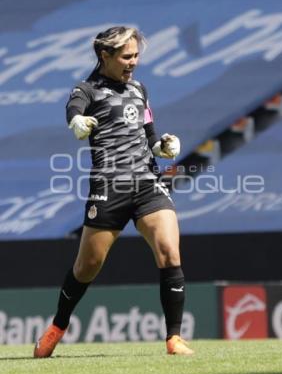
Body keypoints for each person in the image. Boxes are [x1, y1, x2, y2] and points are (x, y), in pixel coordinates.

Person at [34, 26, 194, 357]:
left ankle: (174, 338)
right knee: (87, 267)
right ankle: (57, 327)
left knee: (170, 252)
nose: (133, 62)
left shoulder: (139, 89)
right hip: (110, 187)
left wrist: (162, 146)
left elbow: (149, 131)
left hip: (148, 185)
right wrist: (77, 123)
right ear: (104, 56)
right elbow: (73, 110)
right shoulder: (87, 90)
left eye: (136, 55)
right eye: (126, 56)